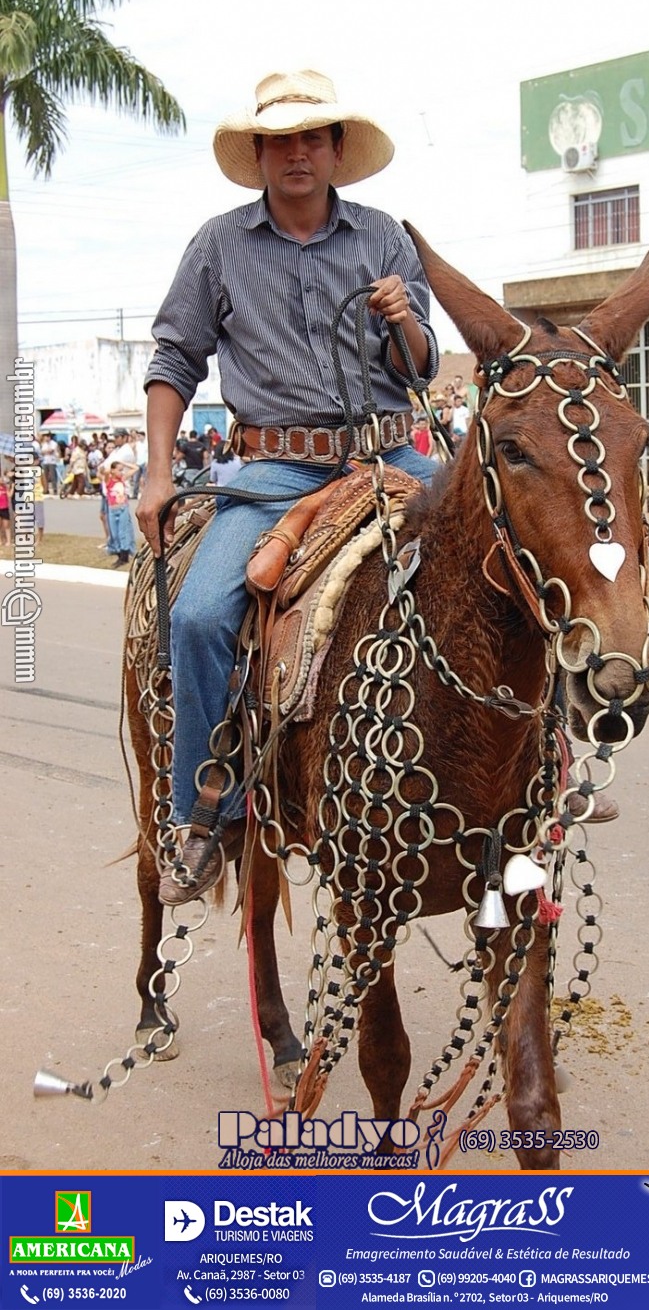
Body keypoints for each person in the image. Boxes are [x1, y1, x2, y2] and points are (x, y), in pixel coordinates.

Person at [136, 68, 440, 904]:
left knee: (504, 550)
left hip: (390, 456)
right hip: (273, 469)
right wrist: (159, 475)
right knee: (197, 617)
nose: (298, 154)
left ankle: (545, 765)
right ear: (260, 154)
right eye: (282, 140)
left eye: (314, 137)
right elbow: (173, 360)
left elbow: (420, 369)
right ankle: (205, 817)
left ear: (337, 151)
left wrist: (405, 321)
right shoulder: (218, 245)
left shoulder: (383, 236)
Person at [105, 459, 137, 567]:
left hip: (123, 508)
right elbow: (103, 472)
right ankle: (118, 553)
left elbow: (135, 468)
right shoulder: (109, 481)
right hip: (112, 509)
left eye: (122, 470)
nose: (121, 472)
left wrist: (124, 463)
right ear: (113, 471)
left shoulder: (122, 479)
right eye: (119, 470)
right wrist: (110, 469)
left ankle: (124, 556)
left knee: (123, 532)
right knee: (114, 533)